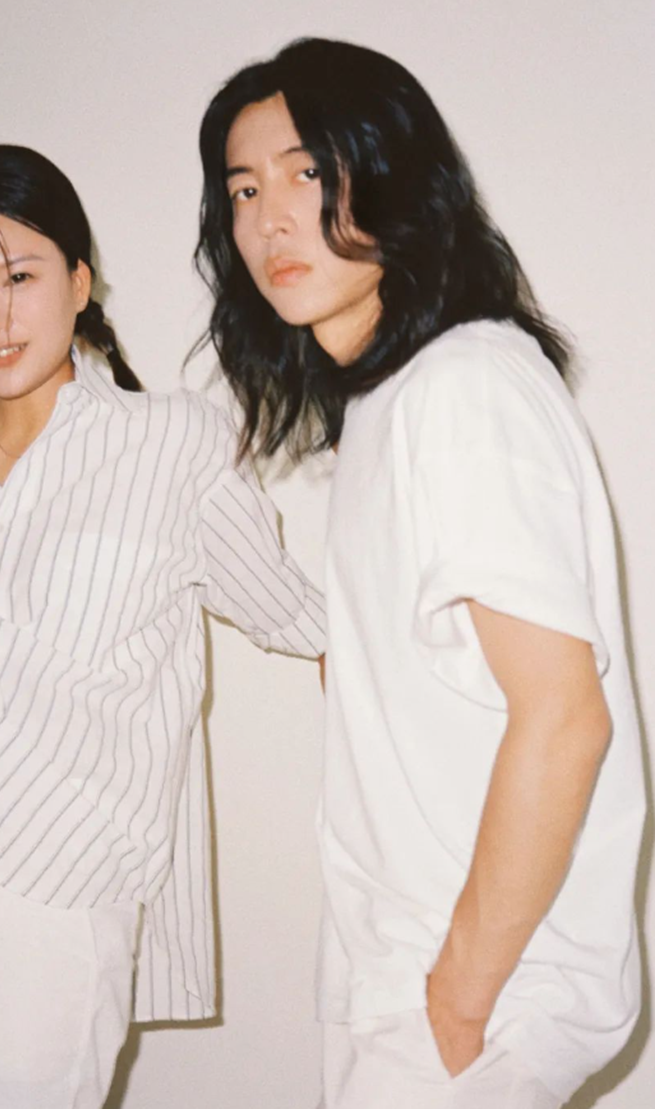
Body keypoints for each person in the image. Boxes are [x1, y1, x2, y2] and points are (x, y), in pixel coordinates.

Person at [0, 144, 325, 1109]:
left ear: (79, 281)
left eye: (20, 277)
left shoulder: (170, 444)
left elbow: (297, 614)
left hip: (41, 881)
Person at [195, 37, 644, 1109]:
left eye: (308, 172)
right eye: (244, 189)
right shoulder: (391, 406)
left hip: (470, 1001)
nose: (270, 219)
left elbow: (565, 718)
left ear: (393, 177)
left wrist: (457, 996)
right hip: (411, 978)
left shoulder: (463, 386)